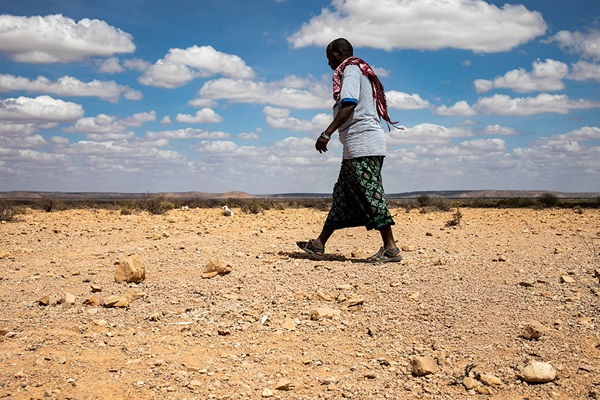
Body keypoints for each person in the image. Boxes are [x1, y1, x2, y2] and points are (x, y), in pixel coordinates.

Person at [297, 38, 403, 263]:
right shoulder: (357, 71)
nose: (328, 64)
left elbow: (349, 103)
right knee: (342, 197)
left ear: (339, 53)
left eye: (330, 58)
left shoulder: (351, 70)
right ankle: (318, 244)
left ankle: (390, 248)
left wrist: (327, 133)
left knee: (371, 194)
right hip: (355, 147)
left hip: (363, 145)